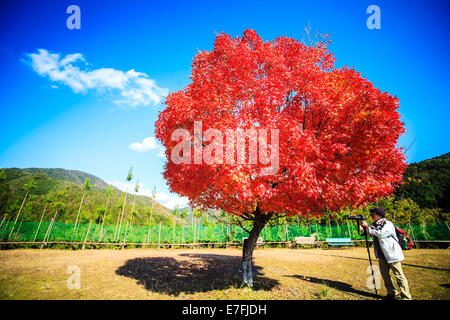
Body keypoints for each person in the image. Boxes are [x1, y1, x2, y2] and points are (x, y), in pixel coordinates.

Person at [360, 207, 412, 300]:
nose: (372, 215)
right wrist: (365, 229)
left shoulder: (387, 224)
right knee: (385, 275)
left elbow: (381, 233)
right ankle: (392, 293)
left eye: (374, 214)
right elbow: (372, 233)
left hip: (392, 254)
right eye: (371, 214)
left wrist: (368, 227)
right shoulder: (374, 224)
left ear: (380, 215)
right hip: (382, 255)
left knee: (399, 275)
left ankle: (406, 296)